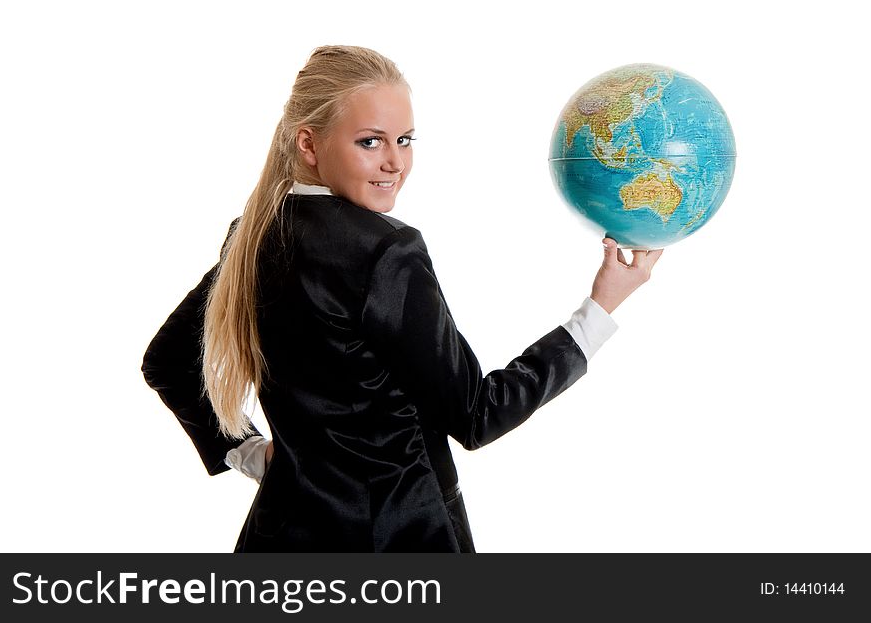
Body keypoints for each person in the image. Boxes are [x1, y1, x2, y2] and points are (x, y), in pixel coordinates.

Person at [141, 45, 663, 552]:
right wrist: (599, 309)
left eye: (406, 139)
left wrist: (251, 454)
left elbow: (167, 362)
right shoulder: (386, 251)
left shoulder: (253, 235)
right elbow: (478, 415)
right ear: (309, 145)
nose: (395, 163)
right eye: (371, 142)